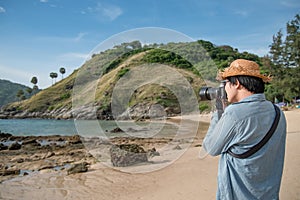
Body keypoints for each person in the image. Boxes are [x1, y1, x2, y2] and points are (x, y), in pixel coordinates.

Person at [202, 59, 287, 200]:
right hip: (269, 194)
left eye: (226, 83)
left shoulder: (234, 113)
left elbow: (211, 147)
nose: (225, 88)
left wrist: (218, 110)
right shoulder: (277, 112)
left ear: (237, 83)